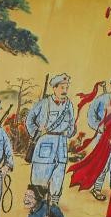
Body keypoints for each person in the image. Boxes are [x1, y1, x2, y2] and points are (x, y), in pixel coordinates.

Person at [69, 74, 111, 200]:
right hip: (103, 137)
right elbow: (91, 116)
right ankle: (97, 188)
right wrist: (100, 127)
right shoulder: (102, 99)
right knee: (102, 164)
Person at [25, 73, 75, 205]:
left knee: (58, 175)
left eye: (66, 88)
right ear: (54, 88)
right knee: (40, 176)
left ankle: (54, 202)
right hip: (45, 144)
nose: (64, 91)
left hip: (62, 144)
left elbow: (72, 123)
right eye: (62, 87)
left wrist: (69, 132)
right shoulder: (44, 103)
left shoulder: (69, 105)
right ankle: (36, 202)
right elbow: (29, 119)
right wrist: (36, 132)